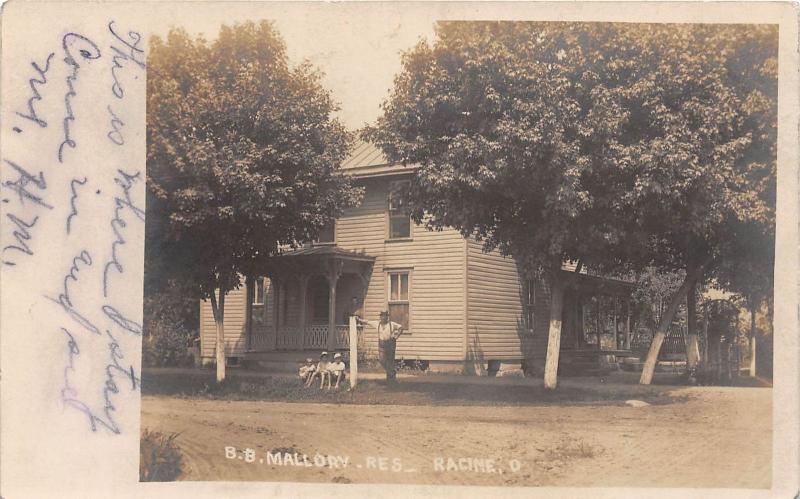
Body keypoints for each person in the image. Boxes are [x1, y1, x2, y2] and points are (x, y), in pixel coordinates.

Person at [357, 310, 404, 381]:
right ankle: (392, 372)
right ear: (380, 317)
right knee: (382, 360)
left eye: (385, 316)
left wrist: (396, 336)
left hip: (390, 343)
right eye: (382, 316)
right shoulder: (377, 324)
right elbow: (367, 322)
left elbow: (401, 328)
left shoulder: (392, 324)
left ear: (387, 317)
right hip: (382, 344)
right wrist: (358, 319)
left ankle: (390, 379)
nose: (383, 318)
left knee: (390, 361)